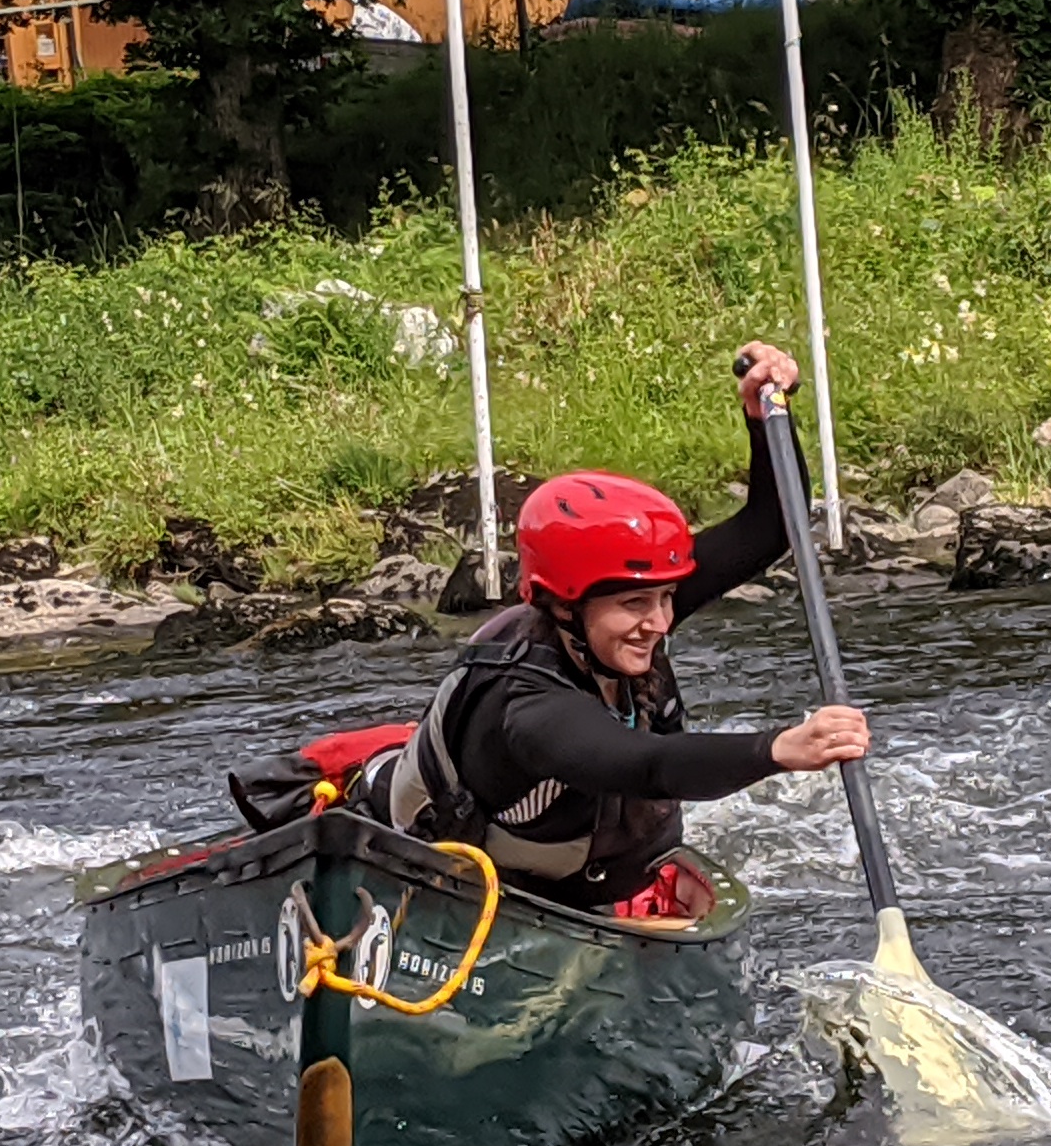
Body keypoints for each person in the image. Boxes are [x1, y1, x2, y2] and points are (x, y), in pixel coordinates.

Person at [361, 342, 869, 910]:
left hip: (589, 880)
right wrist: (779, 748)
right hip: (474, 892)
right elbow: (646, 765)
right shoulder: (529, 709)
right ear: (564, 606)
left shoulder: (622, 613)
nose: (658, 623)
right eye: (635, 605)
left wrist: (764, 418)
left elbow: (772, 528)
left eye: (668, 597)